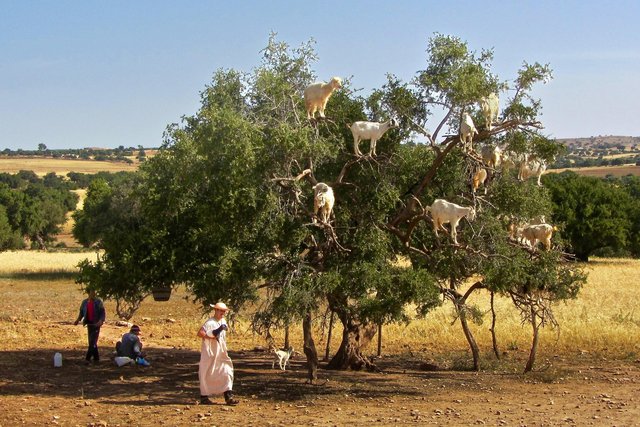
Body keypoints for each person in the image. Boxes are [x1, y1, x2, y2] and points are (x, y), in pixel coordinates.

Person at [197, 302, 239, 405]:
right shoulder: (210, 323)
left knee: (226, 370)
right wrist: (211, 336)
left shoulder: (223, 321)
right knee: (206, 372)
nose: (223, 313)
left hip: (221, 351)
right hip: (210, 352)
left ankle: (228, 396)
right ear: (215, 310)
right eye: (221, 310)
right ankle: (204, 397)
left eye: (224, 311)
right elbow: (200, 333)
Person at [73, 289, 106, 364]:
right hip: (89, 324)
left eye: (94, 292)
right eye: (92, 292)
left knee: (92, 342)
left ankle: (87, 359)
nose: (93, 294)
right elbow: (81, 312)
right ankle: (96, 359)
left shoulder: (98, 302)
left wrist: (101, 321)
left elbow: (102, 312)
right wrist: (78, 320)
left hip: (96, 324)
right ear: (89, 293)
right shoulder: (84, 302)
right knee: (91, 342)